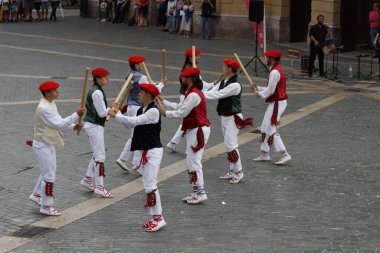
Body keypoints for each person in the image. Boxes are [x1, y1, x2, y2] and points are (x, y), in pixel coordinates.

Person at [109, 83, 167, 232]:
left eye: (141, 93)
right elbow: (130, 126)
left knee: (150, 186)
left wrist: (117, 115)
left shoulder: (153, 111)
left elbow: (134, 122)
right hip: (145, 152)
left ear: (148, 95)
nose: (139, 94)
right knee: (148, 185)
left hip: (152, 152)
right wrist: (117, 114)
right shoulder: (142, 109)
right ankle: (155, 217)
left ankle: (159, 219)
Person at [29, 81, 84, 216]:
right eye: (55, 90)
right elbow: (58, 124)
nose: (57, 92)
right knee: (49, 175)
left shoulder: (50, 104)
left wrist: (73, 126)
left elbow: (57, 121)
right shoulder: (44, 108)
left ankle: (37, 195)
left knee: (49, 171)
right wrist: (76, 115)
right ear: (47, 94)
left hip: (47, 143)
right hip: (42, 145)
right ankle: (46, 206)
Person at [159, 67, 211, 204]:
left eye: (182, 78)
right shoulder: (192, 93)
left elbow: (182, 112)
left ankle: (200, 192)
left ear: (189, 79)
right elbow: (181, 107)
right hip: (195, 129)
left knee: (194, 161)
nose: (181, 81)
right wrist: (164, 102)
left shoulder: (194, 94)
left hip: (198, 130)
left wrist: (165, 113)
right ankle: (196, 191)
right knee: (191, 161)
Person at [203, 59, 253, 184]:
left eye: (224, 66)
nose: (222, 67)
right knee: (228, 145)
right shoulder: (225, 81)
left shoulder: (234, 85)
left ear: (230, 68)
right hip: (225, 116)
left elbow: (217, 95)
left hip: (233, 117)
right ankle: (232, 170)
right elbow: (212, 91)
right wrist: (198, 92)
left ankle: (239, 171)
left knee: (231, 145)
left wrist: (197, 94)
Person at [115, 55, 165, 174]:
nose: (144, 66)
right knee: (135, 134)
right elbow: (153, 90)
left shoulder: (129, 74)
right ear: (136, 65)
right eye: (142, 63)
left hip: (132, 105)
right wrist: (162, 83)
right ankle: (124, 159)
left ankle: (136, 163)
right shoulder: (141, 77)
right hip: (138, 106)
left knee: (137, 133)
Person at [165, 48, 215, 152]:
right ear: (190, 57)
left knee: (188, 118)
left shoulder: (192, 69)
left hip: (189, 94)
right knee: (187, 117)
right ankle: (173, 142)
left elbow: (200, 83)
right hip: (188, 95)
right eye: (196, 56)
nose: (198, 57)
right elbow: (197, 83)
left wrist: (212, 84)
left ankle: (173, 142)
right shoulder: (189, 70)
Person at [251, 50, 292, 165]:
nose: (265, 60)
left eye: (267, 58)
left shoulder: (274, 72)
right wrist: (258, 88)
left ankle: (284, 154)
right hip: (276, 102)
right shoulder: (274, 69)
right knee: (264, 127)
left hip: (278, 103)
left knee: (270, 129)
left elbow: (270, 91)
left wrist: (259, 94)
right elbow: (271, 88)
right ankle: (265, 154)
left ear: (272, 59)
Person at [80, 67, 113, 198]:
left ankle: (87, 180)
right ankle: (100, 186)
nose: (107, 80)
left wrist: (110, 109)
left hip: (93, 125)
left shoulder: (96, 90)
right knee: (100, 156)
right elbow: (101, 112)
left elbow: (102, 110)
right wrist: (111, 111)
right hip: (94, 126)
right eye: (105, 77)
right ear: (98, 79)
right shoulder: (97, 93)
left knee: (96, 154)